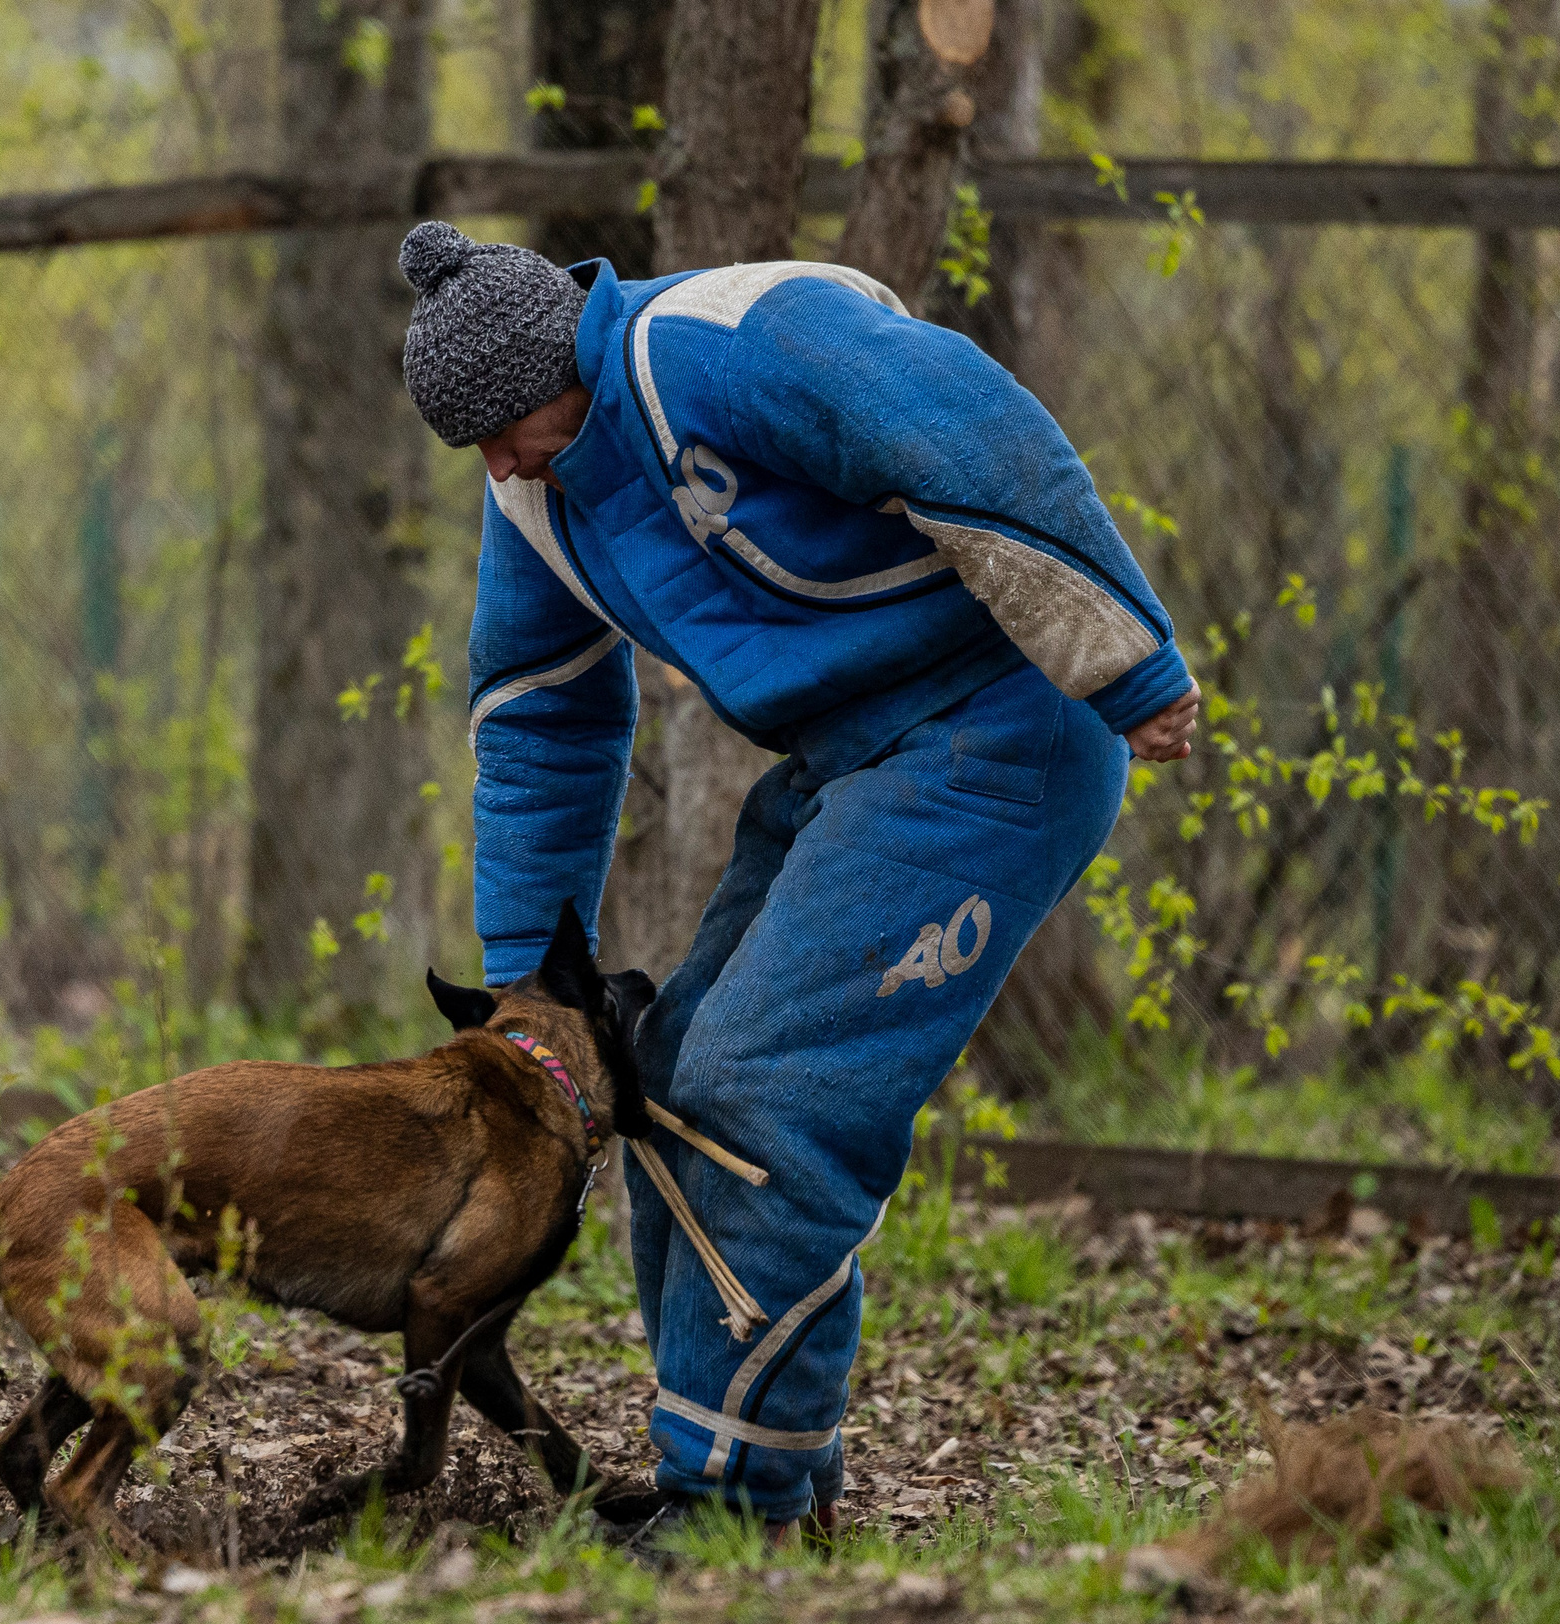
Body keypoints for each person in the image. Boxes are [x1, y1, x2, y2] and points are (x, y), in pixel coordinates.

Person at [395, 221, 1200, 1541]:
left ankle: (732, 1515)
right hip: (850, 763)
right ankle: (771, 1467)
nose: (496, 463)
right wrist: (531, 989)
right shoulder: (536, 494)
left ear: (564, 363)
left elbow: (965, 428)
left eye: (506, 427)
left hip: (999, 738)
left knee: (763, 1099)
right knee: (667, 1076)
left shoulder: (727, 340)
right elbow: (540, 720)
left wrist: (1129, 661)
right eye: (470, 446)